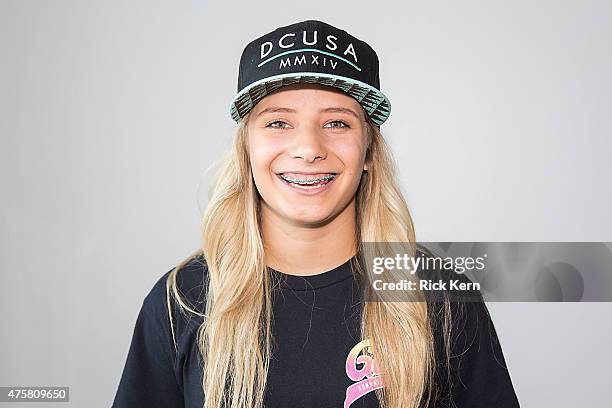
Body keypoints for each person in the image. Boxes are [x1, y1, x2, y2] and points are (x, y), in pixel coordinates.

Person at [112, 19, 520, 408]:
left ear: (369, 152)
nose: (308, 148)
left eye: (338, 123)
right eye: (278, 123)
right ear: (246, 149)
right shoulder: (181, 301)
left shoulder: (440, 297)